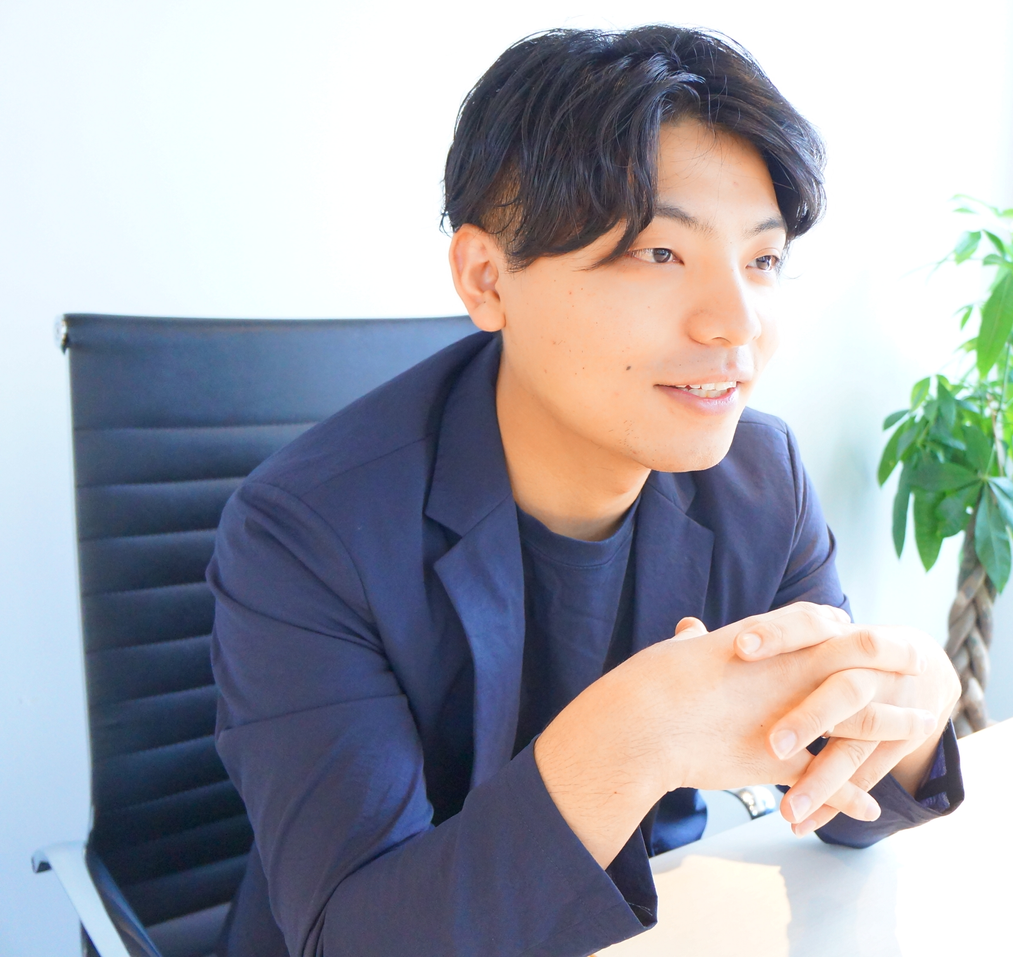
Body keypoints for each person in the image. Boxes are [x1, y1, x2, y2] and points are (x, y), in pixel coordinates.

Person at [208, 24, 963, 957]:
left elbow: (834, 793)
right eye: (659, 253)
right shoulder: (304, 533)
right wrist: (637, 733)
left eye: (762, 260)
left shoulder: (761, 480)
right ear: (487, 278)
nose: (736, 324)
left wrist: (911, 717)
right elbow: (356, 940)